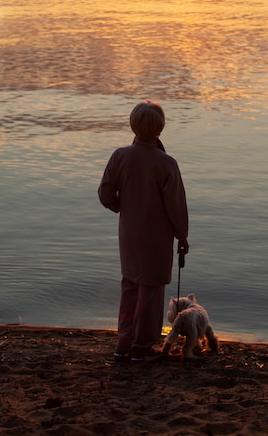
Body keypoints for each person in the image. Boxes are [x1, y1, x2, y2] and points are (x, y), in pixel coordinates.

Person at [98, 100, 189, 362]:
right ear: (159, 129)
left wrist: (121, 207)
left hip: (129, 234)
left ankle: (123, 343)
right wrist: (182, 236)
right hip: (157, 237)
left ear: (133, 126)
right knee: (151, 290)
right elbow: (176, 207)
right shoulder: (166, 163)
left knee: (130, 285)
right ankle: (142, 346)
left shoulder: (120, 156)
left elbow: (105, 194)